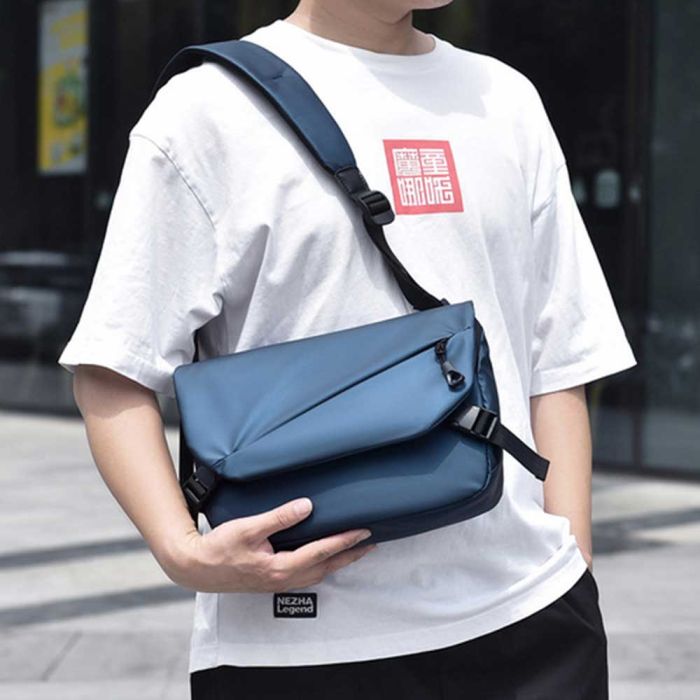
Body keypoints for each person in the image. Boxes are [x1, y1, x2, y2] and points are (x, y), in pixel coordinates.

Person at [58, 1, 637, 698]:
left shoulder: (504, 98)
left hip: (532, 621)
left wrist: (572, 566)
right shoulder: (206, 111)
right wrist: (180, 551)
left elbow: (557, 357)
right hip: (302, 644)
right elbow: (113, 368)